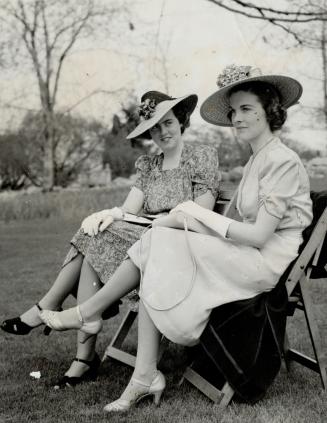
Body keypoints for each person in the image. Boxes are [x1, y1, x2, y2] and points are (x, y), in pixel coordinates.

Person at [40, 64, 313, 412]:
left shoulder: (282, 161)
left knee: (161, 241)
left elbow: (260, 236)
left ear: (270, 110)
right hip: (244, 252)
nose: (237, 118)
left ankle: (90, 316)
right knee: (159, 237)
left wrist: (198, 215)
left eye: (247, 109)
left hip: (265, 263)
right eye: (234, 111)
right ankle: (143, 374)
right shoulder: (258, 158)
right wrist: (184, 219)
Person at [1, 91, 220, 389]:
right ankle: (78, 338)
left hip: (180, 246)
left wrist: (141, 221)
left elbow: (201, 214)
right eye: (154, 128)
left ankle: (70, 336)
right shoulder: (149, 165)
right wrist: (108, 213)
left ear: (181, 121)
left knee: (99, 236)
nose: (162, 132)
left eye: (167, 123)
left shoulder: (201, 156)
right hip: (148, 243)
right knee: (94, 230)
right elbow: (129, 209)